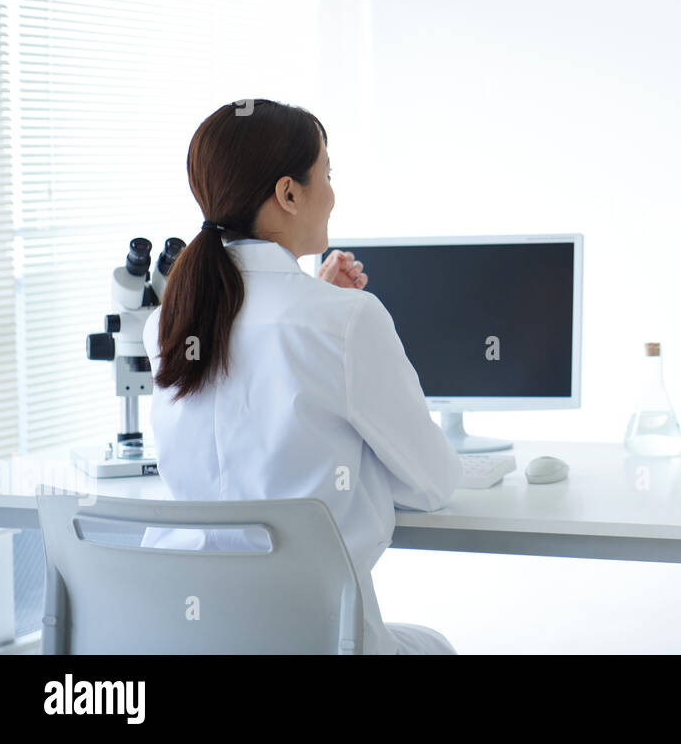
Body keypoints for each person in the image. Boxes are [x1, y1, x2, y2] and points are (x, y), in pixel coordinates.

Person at [141, 99, 462, 654]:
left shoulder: (167, 322)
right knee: (434, 645)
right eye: (328, 175)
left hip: (185, 637)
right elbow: (433, 484)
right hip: (315, 639)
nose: (334, 193)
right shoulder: (348, 321)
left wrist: (314, 303)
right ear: (289, 194)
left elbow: (246, 407)